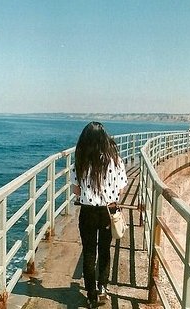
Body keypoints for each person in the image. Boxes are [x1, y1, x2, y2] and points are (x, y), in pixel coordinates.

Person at [71, 122, 128, 308]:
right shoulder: (115, 160)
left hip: (87, 212)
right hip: (107, 211)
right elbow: (121, 188)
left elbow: (76, 191)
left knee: (89, 252)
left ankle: (91, 295)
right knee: (104, 250)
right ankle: (103, 287)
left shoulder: (80, 161)